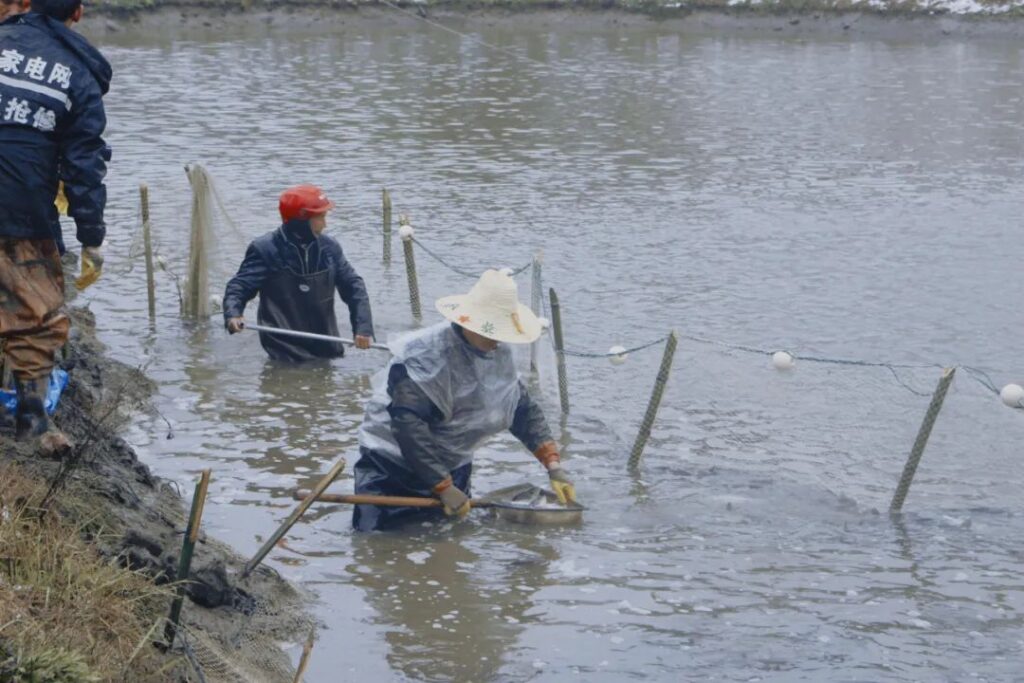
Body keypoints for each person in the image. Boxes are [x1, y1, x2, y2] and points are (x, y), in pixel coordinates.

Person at [353, 269, 577, 532]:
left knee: (446, 541)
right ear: (469, 323)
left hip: (452, 464)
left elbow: (519, 407)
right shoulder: (425, 357)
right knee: (378, 545)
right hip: (392, 466)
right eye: (490, 333)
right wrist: (442, 486)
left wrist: (552, 464)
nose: (497, 341)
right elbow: (408, 427)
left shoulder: (497, 352)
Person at [0, 0, 111, 444]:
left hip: (21, 202)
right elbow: (83, 166)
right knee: (35, 310)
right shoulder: (76, 72)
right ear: (78, 13)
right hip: (23, 209)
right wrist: (92, 237)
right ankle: (31, 416)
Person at [222, 185, 375, 362]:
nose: (325, 224)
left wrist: (363, 328)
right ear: (300, 220)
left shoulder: (329, 248)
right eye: (320, 218)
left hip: (326, 342)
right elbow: (239, 287)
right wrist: (233, 314)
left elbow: (354, 287)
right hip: (283, 348)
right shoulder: (265, 249)